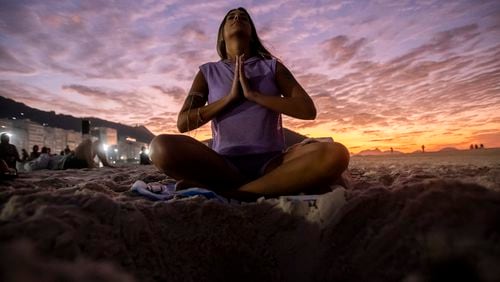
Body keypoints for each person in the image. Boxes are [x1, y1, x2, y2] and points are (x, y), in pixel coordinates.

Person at [149, 7, 349, 200]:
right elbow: (183, 123)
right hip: (224, 164)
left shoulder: (272, 67)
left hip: (273, 162)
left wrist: (255, 96)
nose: (237, 18)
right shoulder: (207, 72)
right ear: (222, 35)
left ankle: (236, 193)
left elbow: (307, 110)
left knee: (336, 154)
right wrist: (229, 99)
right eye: (231, 17)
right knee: (160, 147)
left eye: (243, 17)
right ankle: (259, 187)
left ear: (252, 34)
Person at [25, 139, 113, 171]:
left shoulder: (50, 156)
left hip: (71, 160)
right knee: (88, 141)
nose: (49, 152)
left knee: (97, 142)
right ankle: (91, 164)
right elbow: (37, 165)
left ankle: (105, 163)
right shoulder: (43, 156)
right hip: (67, 162)